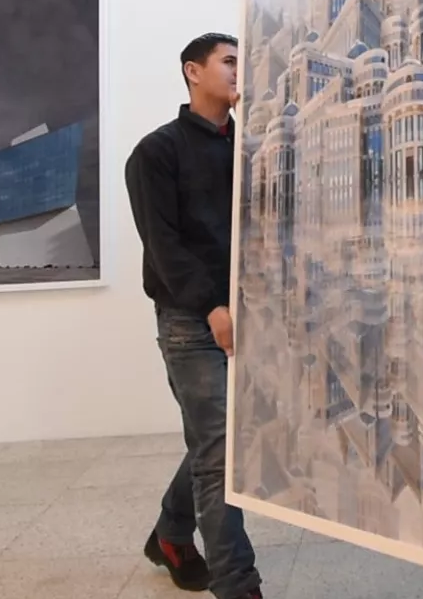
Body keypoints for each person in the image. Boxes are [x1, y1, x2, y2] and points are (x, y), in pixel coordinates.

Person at [125, 31, 263, 599]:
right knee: (219, 453)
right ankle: (239, 586)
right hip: (191, 321)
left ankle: (171, 534)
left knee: (220, 441)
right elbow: (163, 246)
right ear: (193, 71)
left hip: (251, 313)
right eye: (229, 61)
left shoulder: (249, 148)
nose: (239, 70)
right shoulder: (155, 152)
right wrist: (212, 305)